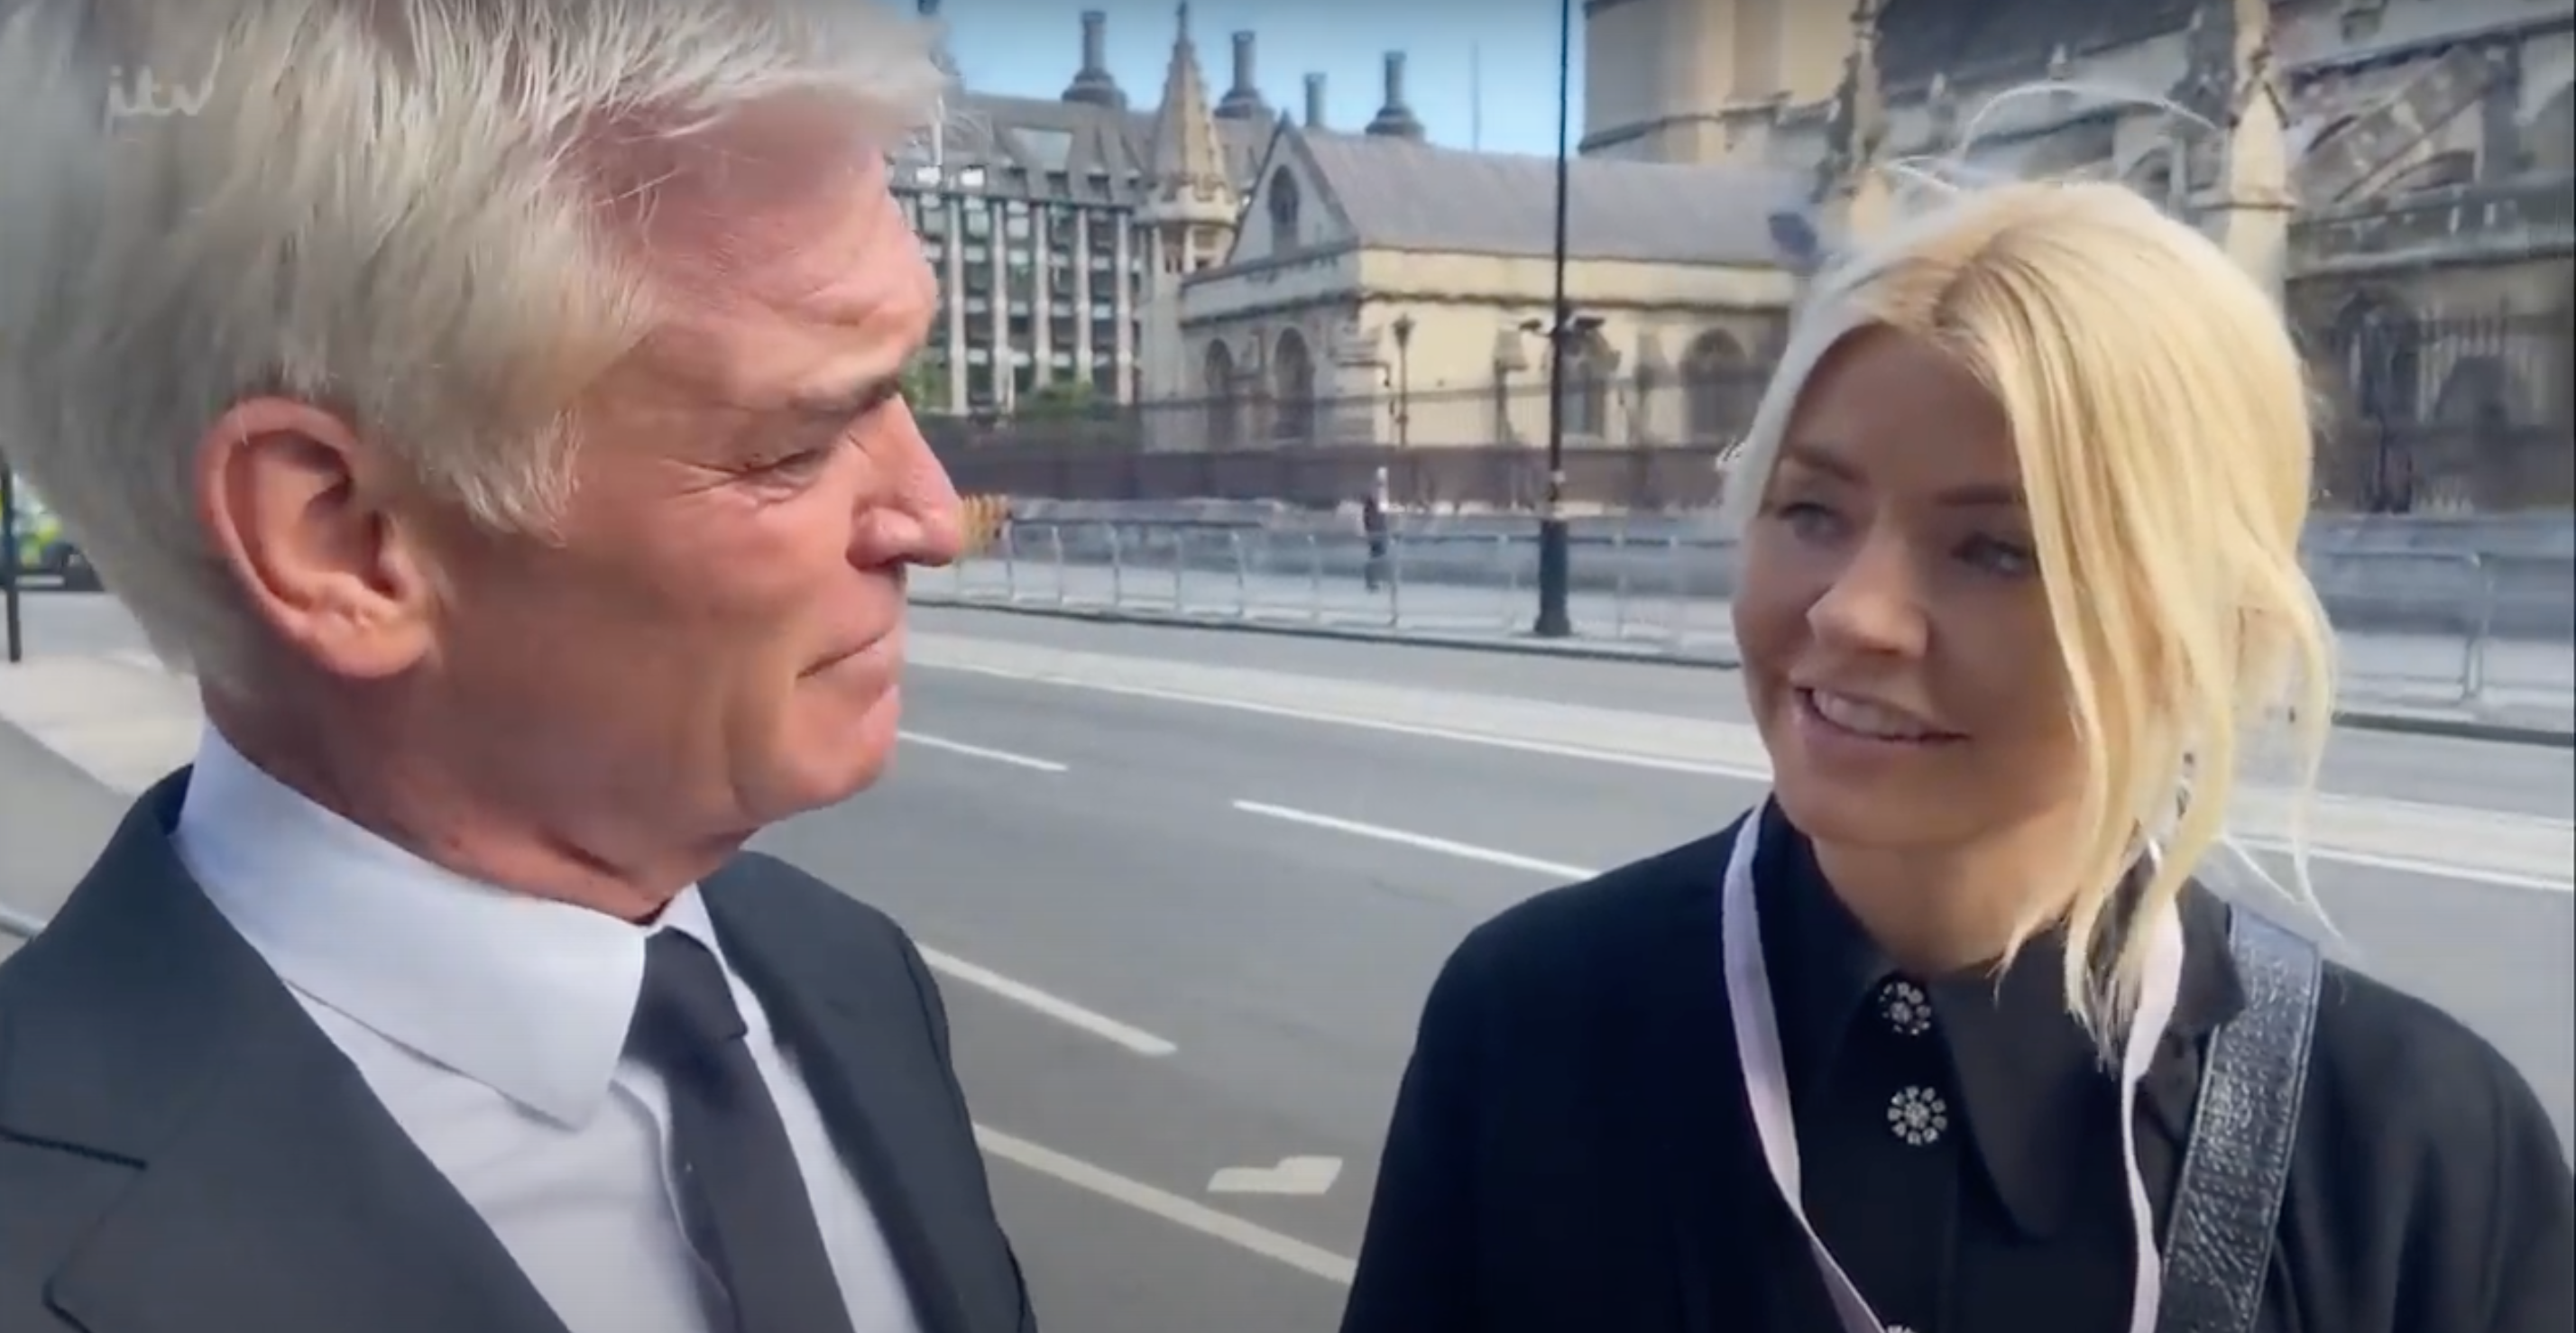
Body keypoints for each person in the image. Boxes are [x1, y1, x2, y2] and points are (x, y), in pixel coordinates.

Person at [1339, 175, 2574, 1331]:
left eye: (1998, 548)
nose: (1849, 613)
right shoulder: (1529, 1026)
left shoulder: (2421, 1148)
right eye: (1811, 509)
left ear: (2201, 622)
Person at [0, 5, 1036, 1333]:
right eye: (791, 445)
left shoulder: (852, 980)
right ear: (344, 541)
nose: (933, 517)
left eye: (898, 390)